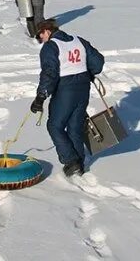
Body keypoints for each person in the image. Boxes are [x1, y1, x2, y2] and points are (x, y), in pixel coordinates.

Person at [30, 19, 105, 177]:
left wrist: (41, 96)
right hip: (83, 89)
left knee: (54, 126)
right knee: (74, 127)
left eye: (39, 35)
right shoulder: (79, 41)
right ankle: (80, 164)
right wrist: (87, 73)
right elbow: (98, 63)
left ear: (47, 31)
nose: (40, 39)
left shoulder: (51, 46)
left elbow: (49, 73)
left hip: (66, 90)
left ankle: (71, 161)